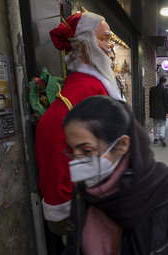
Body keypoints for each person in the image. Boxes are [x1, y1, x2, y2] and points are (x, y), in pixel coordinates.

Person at [62, 95, 168, 255]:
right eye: (73, 151)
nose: (77, 161)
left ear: (122, 144)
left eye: (86, 151)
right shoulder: (84, 190)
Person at [35, 11, 124, 242]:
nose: (110, 46)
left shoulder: (88, 87)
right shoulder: (87, 91)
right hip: (86, 209)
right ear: (85, 46)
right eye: (104, 38)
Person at [149, 77, 168, 146]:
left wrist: (151, 111)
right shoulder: (164, 90)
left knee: (155, 125)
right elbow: (166, 102)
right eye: (165, 83)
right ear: (163, 82)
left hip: (154, 110)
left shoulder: (152, 89)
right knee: (163, 124)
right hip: (162, 111)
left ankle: (156, 139)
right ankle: (162, 136)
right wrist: (167, 112)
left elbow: (150, 101)